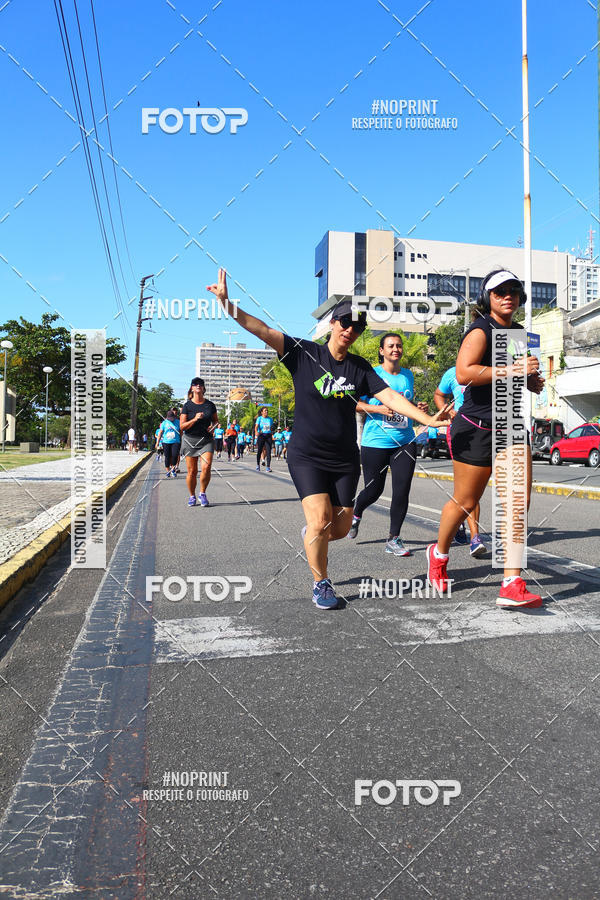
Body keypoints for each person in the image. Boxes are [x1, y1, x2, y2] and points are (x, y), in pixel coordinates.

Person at [207, 268, 451, 610]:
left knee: (336, 529)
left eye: (358, 326)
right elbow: (260, 329)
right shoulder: (302, 353)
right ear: (332, 324)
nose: (351, 330)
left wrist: (428, 419)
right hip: (306, 454)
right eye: (345, 323)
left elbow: (391, 399)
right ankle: (321, 583)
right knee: (319, 520)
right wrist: (227, 304)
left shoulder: (361, 367)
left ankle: (313, 536)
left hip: (344, 458)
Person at [426, 270, 545, 609]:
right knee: (465, 501)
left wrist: (531, 381)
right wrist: (513, 371)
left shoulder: (520, 334)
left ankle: (511, 581)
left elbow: (517, 378)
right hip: (476, 425)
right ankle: (439, 552)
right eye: (499, 291)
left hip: (511, 425)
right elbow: (464, 373)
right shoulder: (481, 330)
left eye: (513, 291)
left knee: (517, 502)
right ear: (487, 298)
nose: (507, 296)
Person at [348, 332, 427, 556]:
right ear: (381, 351)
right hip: (376, 441)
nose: (396, 349)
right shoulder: (371, 374)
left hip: (404, 441)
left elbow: (404, 403)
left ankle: (394, 538)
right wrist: (378, 408)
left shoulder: (408, 376)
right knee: (374, 489)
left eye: (399, 346)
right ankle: (357, 513)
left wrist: (417, 408)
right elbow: (355, 404)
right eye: (391, 346)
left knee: (401, 490)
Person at [434, 366, 487, 557]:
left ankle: (458, 524)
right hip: (463, 430)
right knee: (467, 490)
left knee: (470, 490)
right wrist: (446, 411)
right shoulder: (453, 372)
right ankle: (474, 538)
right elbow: (439, 395)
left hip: (490, 430)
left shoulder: (493, 368)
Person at [180, 377, 218, 507]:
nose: (198, 386)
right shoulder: (187, 406)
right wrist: (195, 419)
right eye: (195, 384)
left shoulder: (210, 405)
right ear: (192, 388)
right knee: (192, 472)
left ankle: (202, 493)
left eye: (200, 384)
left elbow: (216, 421)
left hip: (206, 441)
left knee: (206, 468)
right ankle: (192, 495)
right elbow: (182, 426)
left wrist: (212, 428)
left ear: (203, 388)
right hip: (190, 440)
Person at [156, 409, 181, 477]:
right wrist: (157, 442)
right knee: (167, 456)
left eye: (172, 418)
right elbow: (160, 433)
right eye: (169, 418)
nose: (171, 419)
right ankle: (168, 470)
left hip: (176, 441)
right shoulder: (164, 423)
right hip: (166, 442)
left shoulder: (178, 422)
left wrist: (181, 439)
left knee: (175, 455)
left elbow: (181, 431)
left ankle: (173, 468)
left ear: (174, 417)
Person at [255, 406, 273, 473]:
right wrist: (256, 432)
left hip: (268, 436)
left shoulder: (270, 419)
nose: (266, 412)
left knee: (268, 452)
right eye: (265, 410)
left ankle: (268, 467)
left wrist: (271, 433)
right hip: (261, 436)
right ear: (262, 412)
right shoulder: (259, 418)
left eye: (267, 410)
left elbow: (271, 428)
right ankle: (257, 465)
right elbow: (256, 427)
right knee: (259, 451)